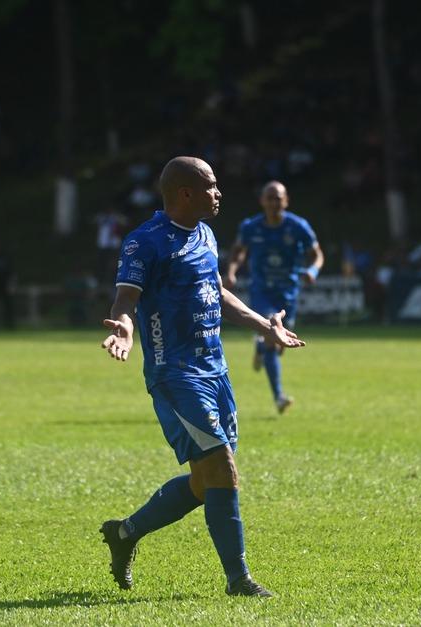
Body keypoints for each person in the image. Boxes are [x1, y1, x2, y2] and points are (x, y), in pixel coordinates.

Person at [99, 157, 305, 598]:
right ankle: (239, 580)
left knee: (203, 482)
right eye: (211, 186)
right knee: (223, 469)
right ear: (185, 193)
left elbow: (216, 289)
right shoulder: (145, 242)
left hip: (216, 370)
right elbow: (125, 300)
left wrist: (263, 325)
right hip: (176, 374)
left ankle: (125, 532)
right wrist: (124, 328)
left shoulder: (206, 235)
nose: (219, 193)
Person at [224, 181, 324, 414]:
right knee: (273, 333)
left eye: (278, 198)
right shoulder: (250, 227)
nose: (273, 202)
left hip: (288, 293)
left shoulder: (298, 226)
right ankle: (279, 396)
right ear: (262, 201)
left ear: (286, 200)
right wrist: (231, 271)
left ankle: (260, 349)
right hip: (262, 292)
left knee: (279, 343)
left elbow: (316, 254)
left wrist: (312, 271)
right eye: (269, 197)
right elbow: (238, 251)